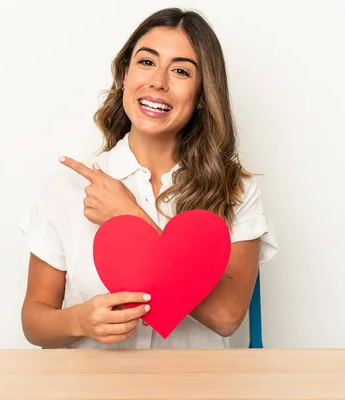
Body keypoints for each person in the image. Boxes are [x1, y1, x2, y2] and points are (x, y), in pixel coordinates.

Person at [20, 7, 278, 349]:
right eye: (146, 62)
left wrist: (131, 218)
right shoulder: (68, 187)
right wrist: (78, 320)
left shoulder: (235, 190)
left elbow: (227, 316)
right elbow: (34, 321)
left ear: (202, 95)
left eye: (181, 71)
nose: (158, 81)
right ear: (125, 75)